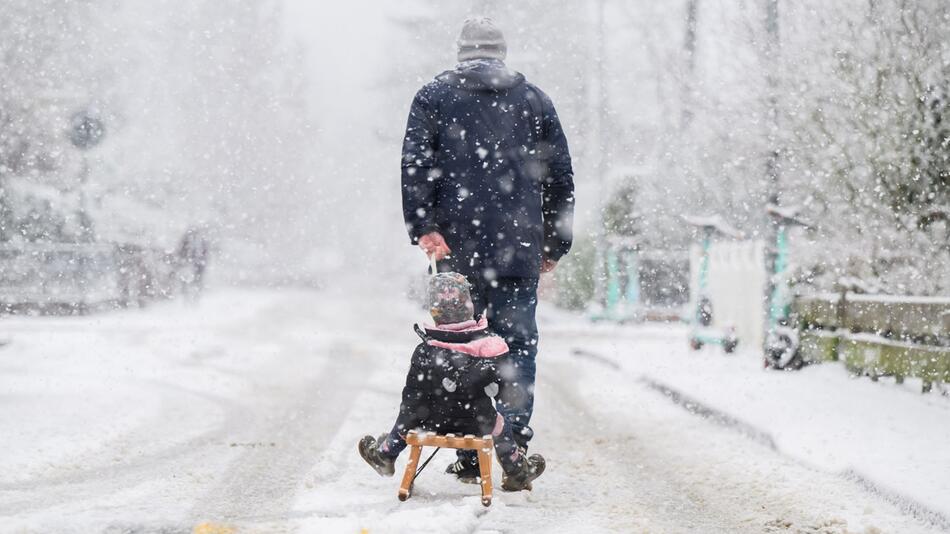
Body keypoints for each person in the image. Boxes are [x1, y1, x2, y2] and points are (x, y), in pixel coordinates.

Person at [400, 17, 575, 481]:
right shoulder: (535, 101)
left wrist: (425, 227)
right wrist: (554, 242)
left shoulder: (433, 97)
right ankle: (512, 447)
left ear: (461, 52)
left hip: (457, 248)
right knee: (515, 348)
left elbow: (416, 166)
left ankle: (468, 450)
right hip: (518, 249)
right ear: (502, 53)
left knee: (460, 348)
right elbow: (560, 176)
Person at [358, 273, 545, 491]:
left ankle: (385, 454)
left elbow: (412, 400)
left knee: (410, 412)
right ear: (470, 306)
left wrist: (402, 429)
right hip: (478, 422)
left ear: (434, 311)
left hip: (431, 422)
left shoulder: (425, 351)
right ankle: (516, 470)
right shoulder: (490, 348)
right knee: (500, 424)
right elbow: (507, 393)